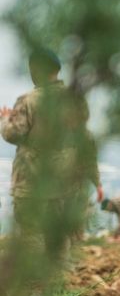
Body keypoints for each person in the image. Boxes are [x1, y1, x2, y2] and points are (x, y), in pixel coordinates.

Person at [1, 49, 103, 236]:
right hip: (66, 188)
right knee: (61, 247)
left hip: (32, 188)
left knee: (32, 244)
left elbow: (12, 134)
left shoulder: (28, 101)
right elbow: (86, 142)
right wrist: (96, 180)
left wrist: (6, 119)